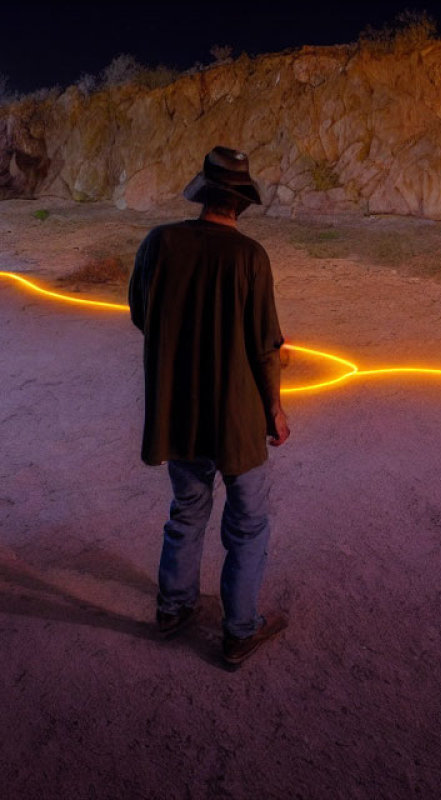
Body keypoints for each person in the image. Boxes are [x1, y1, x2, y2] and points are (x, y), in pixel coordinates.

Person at [128, 145, 290, 667]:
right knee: (247, 523)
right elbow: (266, 346)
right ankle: (239, 628)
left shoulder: (160, 243)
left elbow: (141, 313)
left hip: (181, 410)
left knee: (187, 509)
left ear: (204, 193)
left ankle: (174, 608)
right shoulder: (249, 257)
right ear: (240, 204)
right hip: (236, 418)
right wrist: (275, 410)